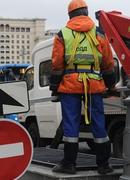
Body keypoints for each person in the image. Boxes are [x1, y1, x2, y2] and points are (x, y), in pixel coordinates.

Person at [49, 0, 116, 175]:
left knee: (71, 124)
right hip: (94, 84)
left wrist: (54, 87)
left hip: (70, 84)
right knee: (99, 123)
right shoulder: (99, 33)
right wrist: (111, 86)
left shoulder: (63, 34)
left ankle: (69, 164)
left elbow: (56, 64)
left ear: (70, 15)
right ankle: (104, 165)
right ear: (86, 12)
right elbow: (108, 63)